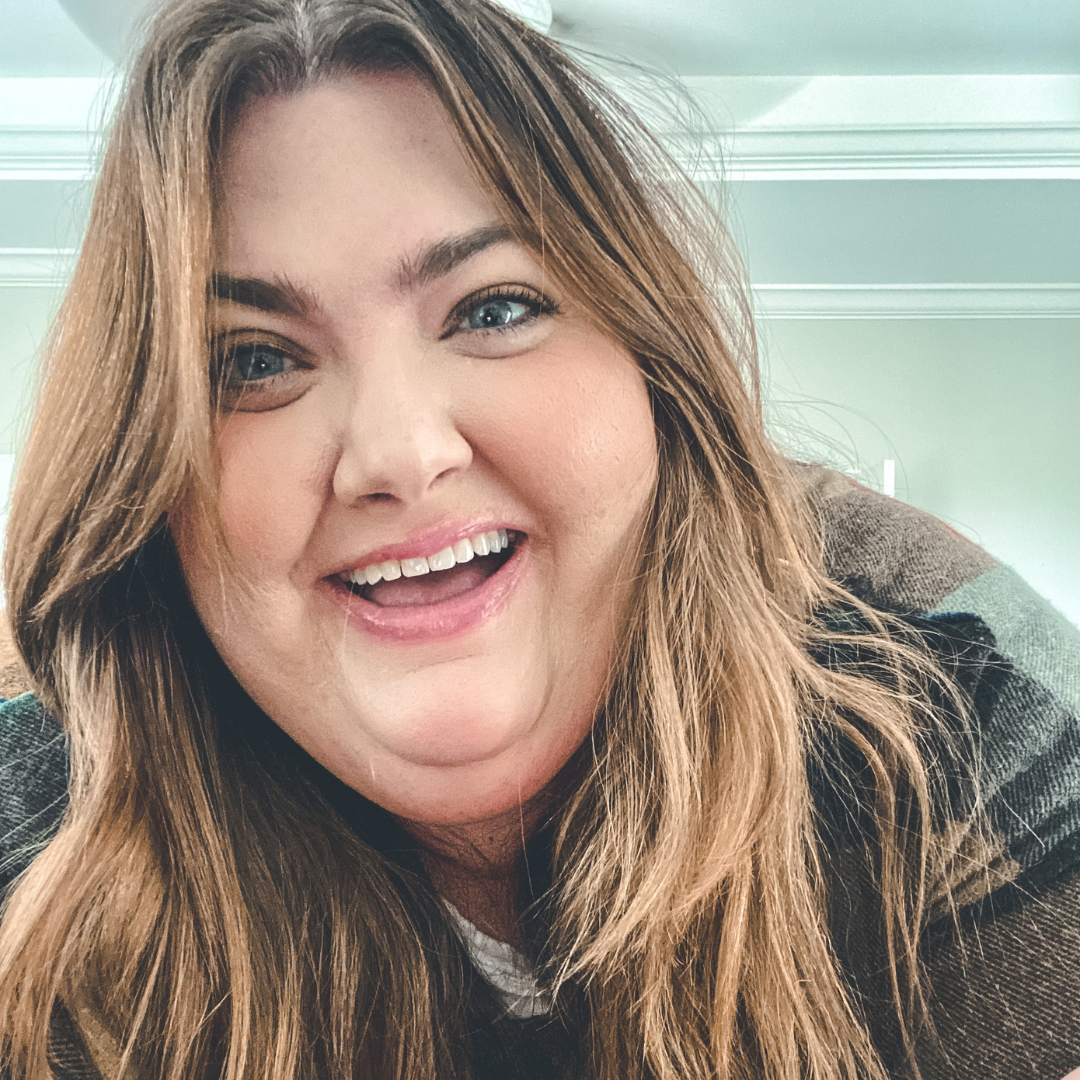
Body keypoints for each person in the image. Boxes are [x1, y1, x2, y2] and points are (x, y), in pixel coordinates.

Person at [0, 0, 1077, 1077]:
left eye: (494, 308)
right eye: (252, 362)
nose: (396, 454)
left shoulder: (954, 716)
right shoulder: (42, 855)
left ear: (654, 373)